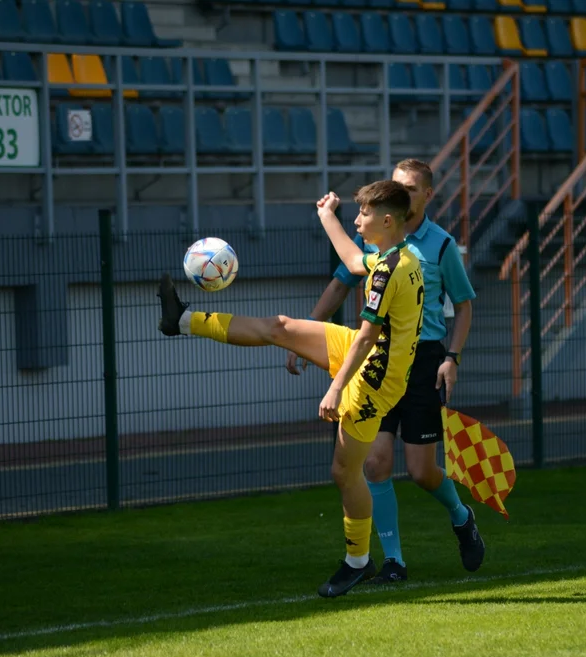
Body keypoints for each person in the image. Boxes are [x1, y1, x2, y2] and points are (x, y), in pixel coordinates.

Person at [157, 180, 424, 598]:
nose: (356, 220)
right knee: (279, 327)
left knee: (344, 471)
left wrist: (336, 388)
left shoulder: (392, 270)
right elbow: (355, 262)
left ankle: (358, 561)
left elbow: (368, 337)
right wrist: (326, 217)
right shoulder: (395, 256)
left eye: (363, 215)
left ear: (386, 220)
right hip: (369, 355)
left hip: (374, 382)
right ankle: (182, 320)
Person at [285, 159, 483, 585]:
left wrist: (453, 357)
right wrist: (306, 334)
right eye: (397, 185)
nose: (403, 192)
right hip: (378, 361)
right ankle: (393, 561)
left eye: (411, 188)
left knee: (421, 471)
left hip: (424, 362)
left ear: (427, 195)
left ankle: (461, 516)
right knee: (374, 463)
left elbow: (464, 305)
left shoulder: (442, 246)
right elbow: (343, 280)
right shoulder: (375, 238)